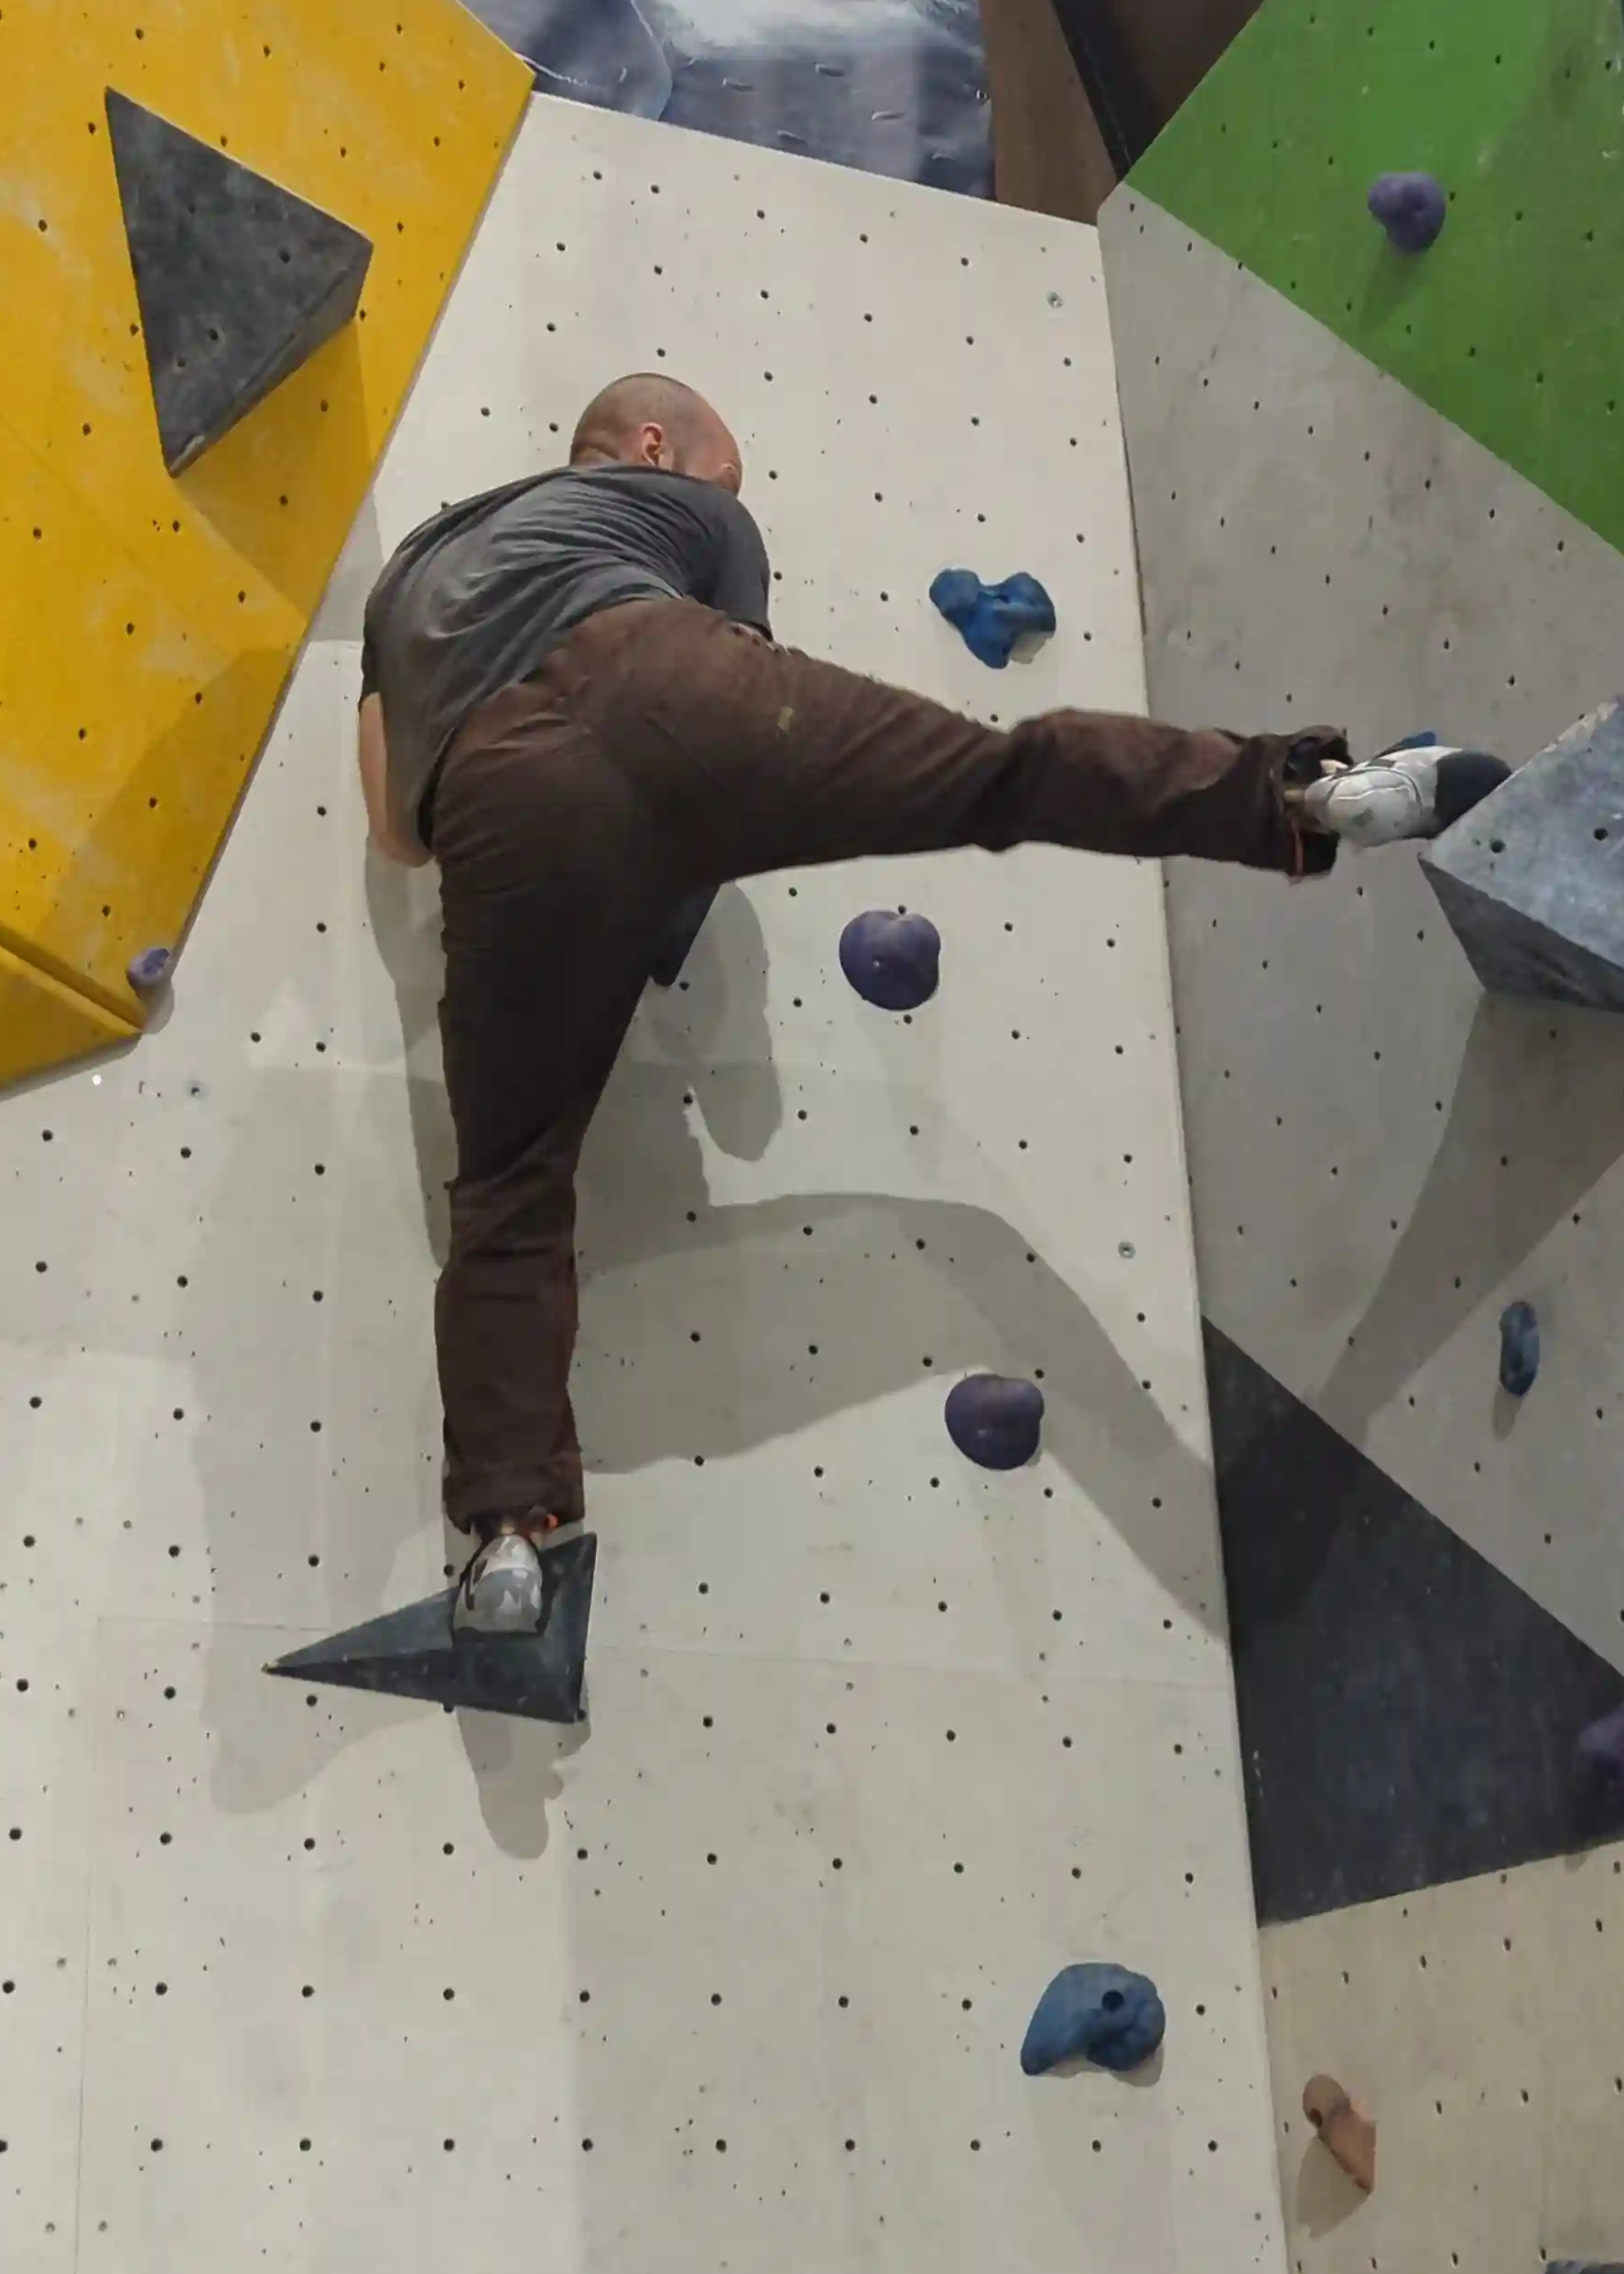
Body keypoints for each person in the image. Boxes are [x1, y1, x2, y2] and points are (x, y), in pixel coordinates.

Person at [357, 373, 1506, 1634]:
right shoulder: (678, 514)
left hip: (491, 795)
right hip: (661, 671)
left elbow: (395, 835)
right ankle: (1302, 798)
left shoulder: (404, 584)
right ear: (650, 446)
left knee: (511, 1186)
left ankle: (506, 1542)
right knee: (997, 777)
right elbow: (729, 692)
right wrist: (666, 919)